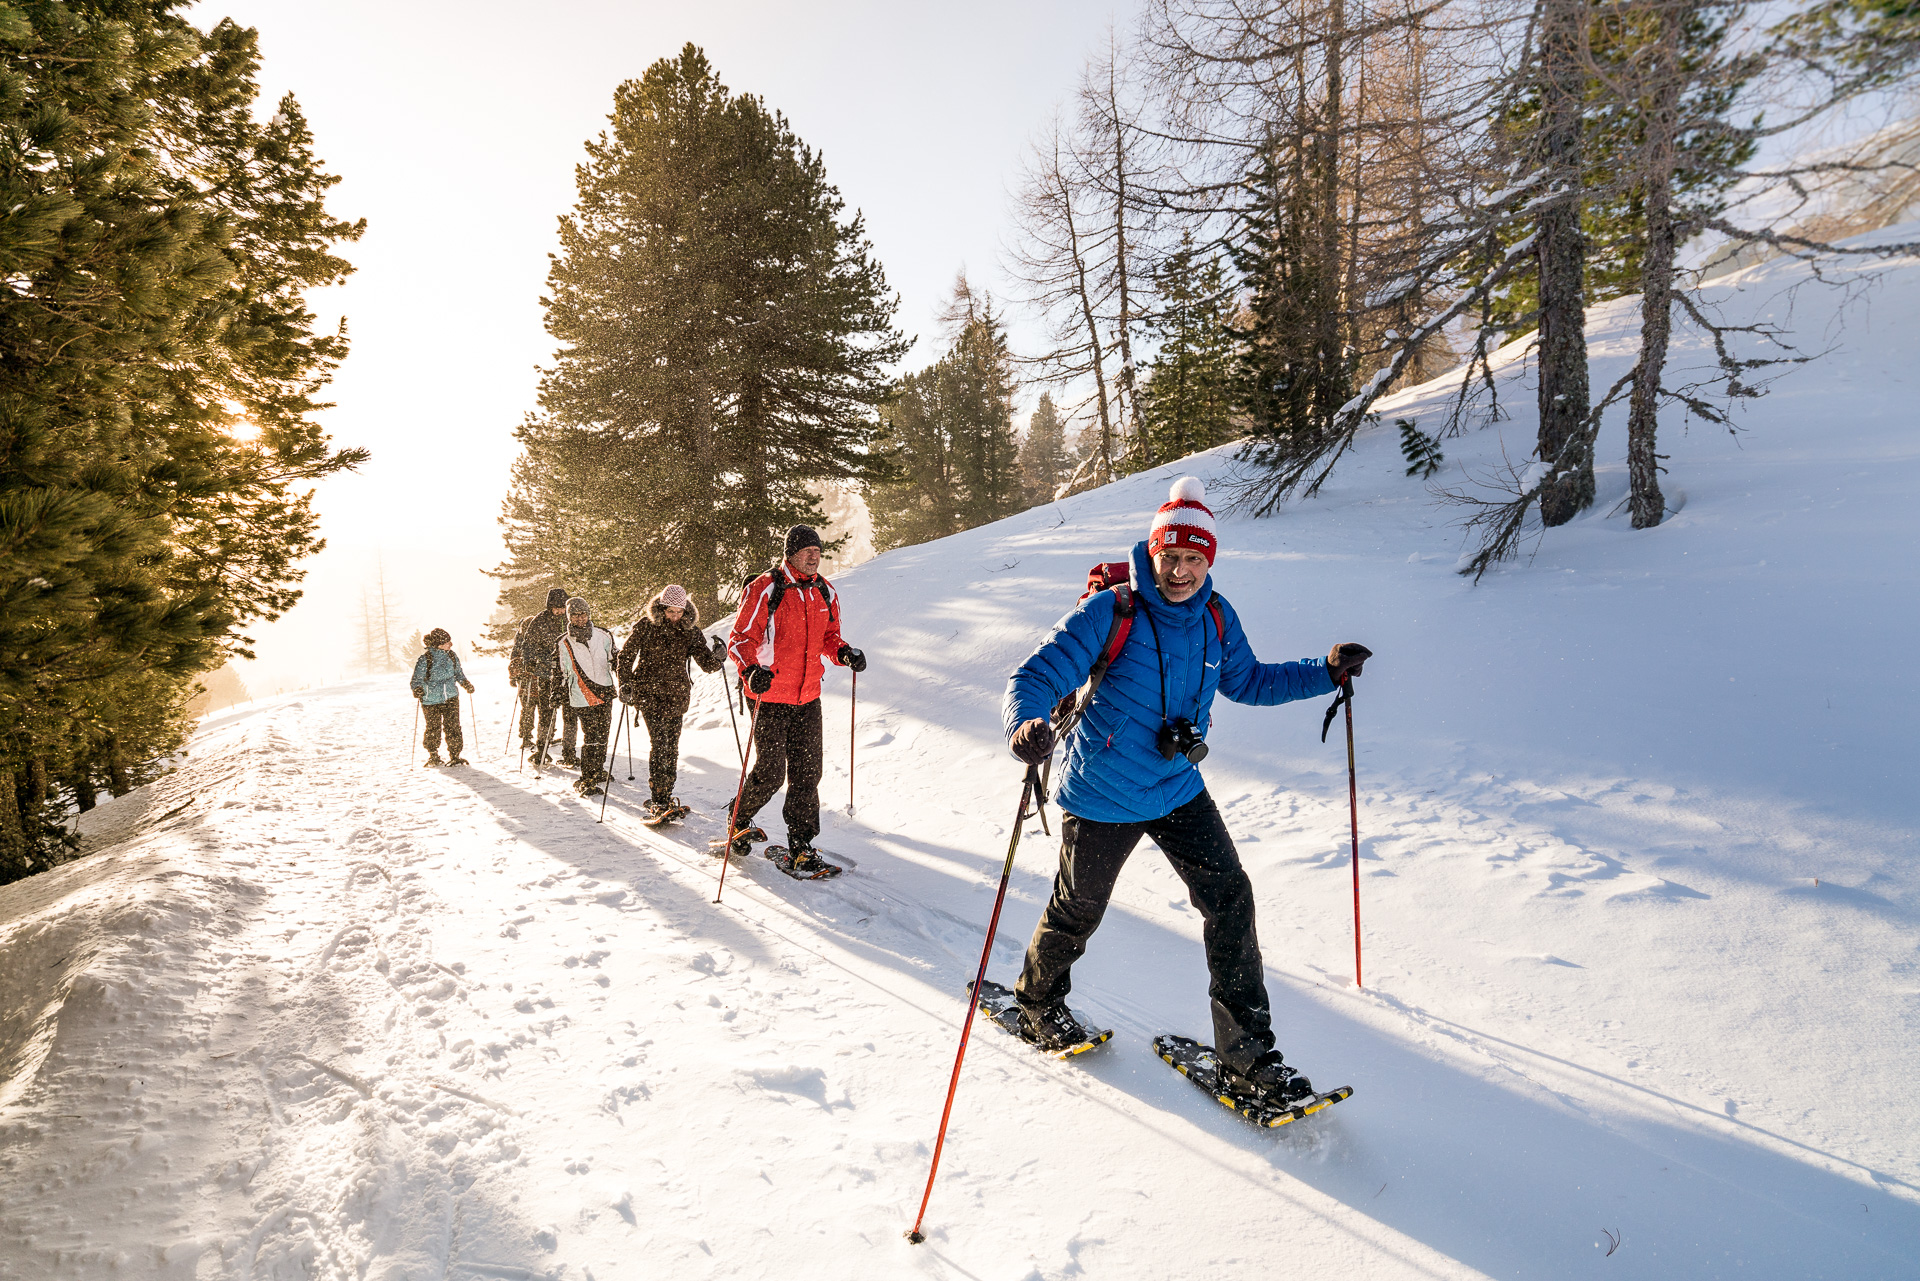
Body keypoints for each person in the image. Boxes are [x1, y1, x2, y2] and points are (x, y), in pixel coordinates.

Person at [1001, 477, 1372, 1104]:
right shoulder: (1111, 611)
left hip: (1177, 787)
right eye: (1168, 556)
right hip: (1102, 793)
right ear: (1151, 554)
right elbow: (1035, 673)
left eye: (1193, 558)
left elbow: (1250, 681)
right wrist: (1027, 723)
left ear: (1209, 561)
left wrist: (1325, 671)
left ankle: (1248, 1057)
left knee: (1230, 899)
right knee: (1078, 909)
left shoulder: (1217, 617)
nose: (1179, 570)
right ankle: (1037, 1000)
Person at [724, 525, 866, 873]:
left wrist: (844, 653)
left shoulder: (824, 591)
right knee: (771, 772)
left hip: (808, 697)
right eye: (807, 551)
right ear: (790, 554)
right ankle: (738, 816)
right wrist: (751, 670)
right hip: (769, 695)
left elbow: (829, 637)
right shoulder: (766, 588)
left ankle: (801, 844)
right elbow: (740, 639)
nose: (815, 557)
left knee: (807, 773)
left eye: (818, 551)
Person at [617, 584, 727, 820]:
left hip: (676, 695)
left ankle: (666, 794)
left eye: (679, 611)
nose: (675, 616)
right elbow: (625, 656)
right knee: (660, 744)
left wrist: (718, 657)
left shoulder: (690, 631)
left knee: (672, 746)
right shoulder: (646, 627)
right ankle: (658, 798)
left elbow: (706, 664)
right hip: (648, 693)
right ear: (661, 608)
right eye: (671, 612)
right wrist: (625, 683)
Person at [553, 596, 619, 796]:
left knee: (603, 734)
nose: (580, 618)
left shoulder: (604, 635)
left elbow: (615, 658)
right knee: (591, 736)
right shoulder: (563, 642)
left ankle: (599, 769)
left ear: (589, 614)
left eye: (583, 614)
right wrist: (556, 692)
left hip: (605, 690)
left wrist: (621, 671)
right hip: (581, 694)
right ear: (569, 617)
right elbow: (559, 671)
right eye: (575, 615)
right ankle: (587, 777)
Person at [509, 588, 571, 755]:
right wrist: (528, 661)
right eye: (556, 608)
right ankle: (542, 746)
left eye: (562, 607)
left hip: (568, 672)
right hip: (546, 671)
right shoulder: (540, 620)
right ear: (549, 606)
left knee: (570, 711)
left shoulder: (570, 618)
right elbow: (527, 644)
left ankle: (568, 749)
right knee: (546, 710)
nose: (559, 611)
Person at [411, 628, 476, 766]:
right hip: (430, 700)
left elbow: (458, 673)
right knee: (433, 728)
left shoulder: (452, 656)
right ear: (439, 644)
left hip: (451, 697)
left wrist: (466, 684)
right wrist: (417, 689)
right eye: (447, 642)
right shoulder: (425, 659)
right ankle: (433, 755)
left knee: (453, 727)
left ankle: (455, 755)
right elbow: (416, 679)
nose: (451, 644)